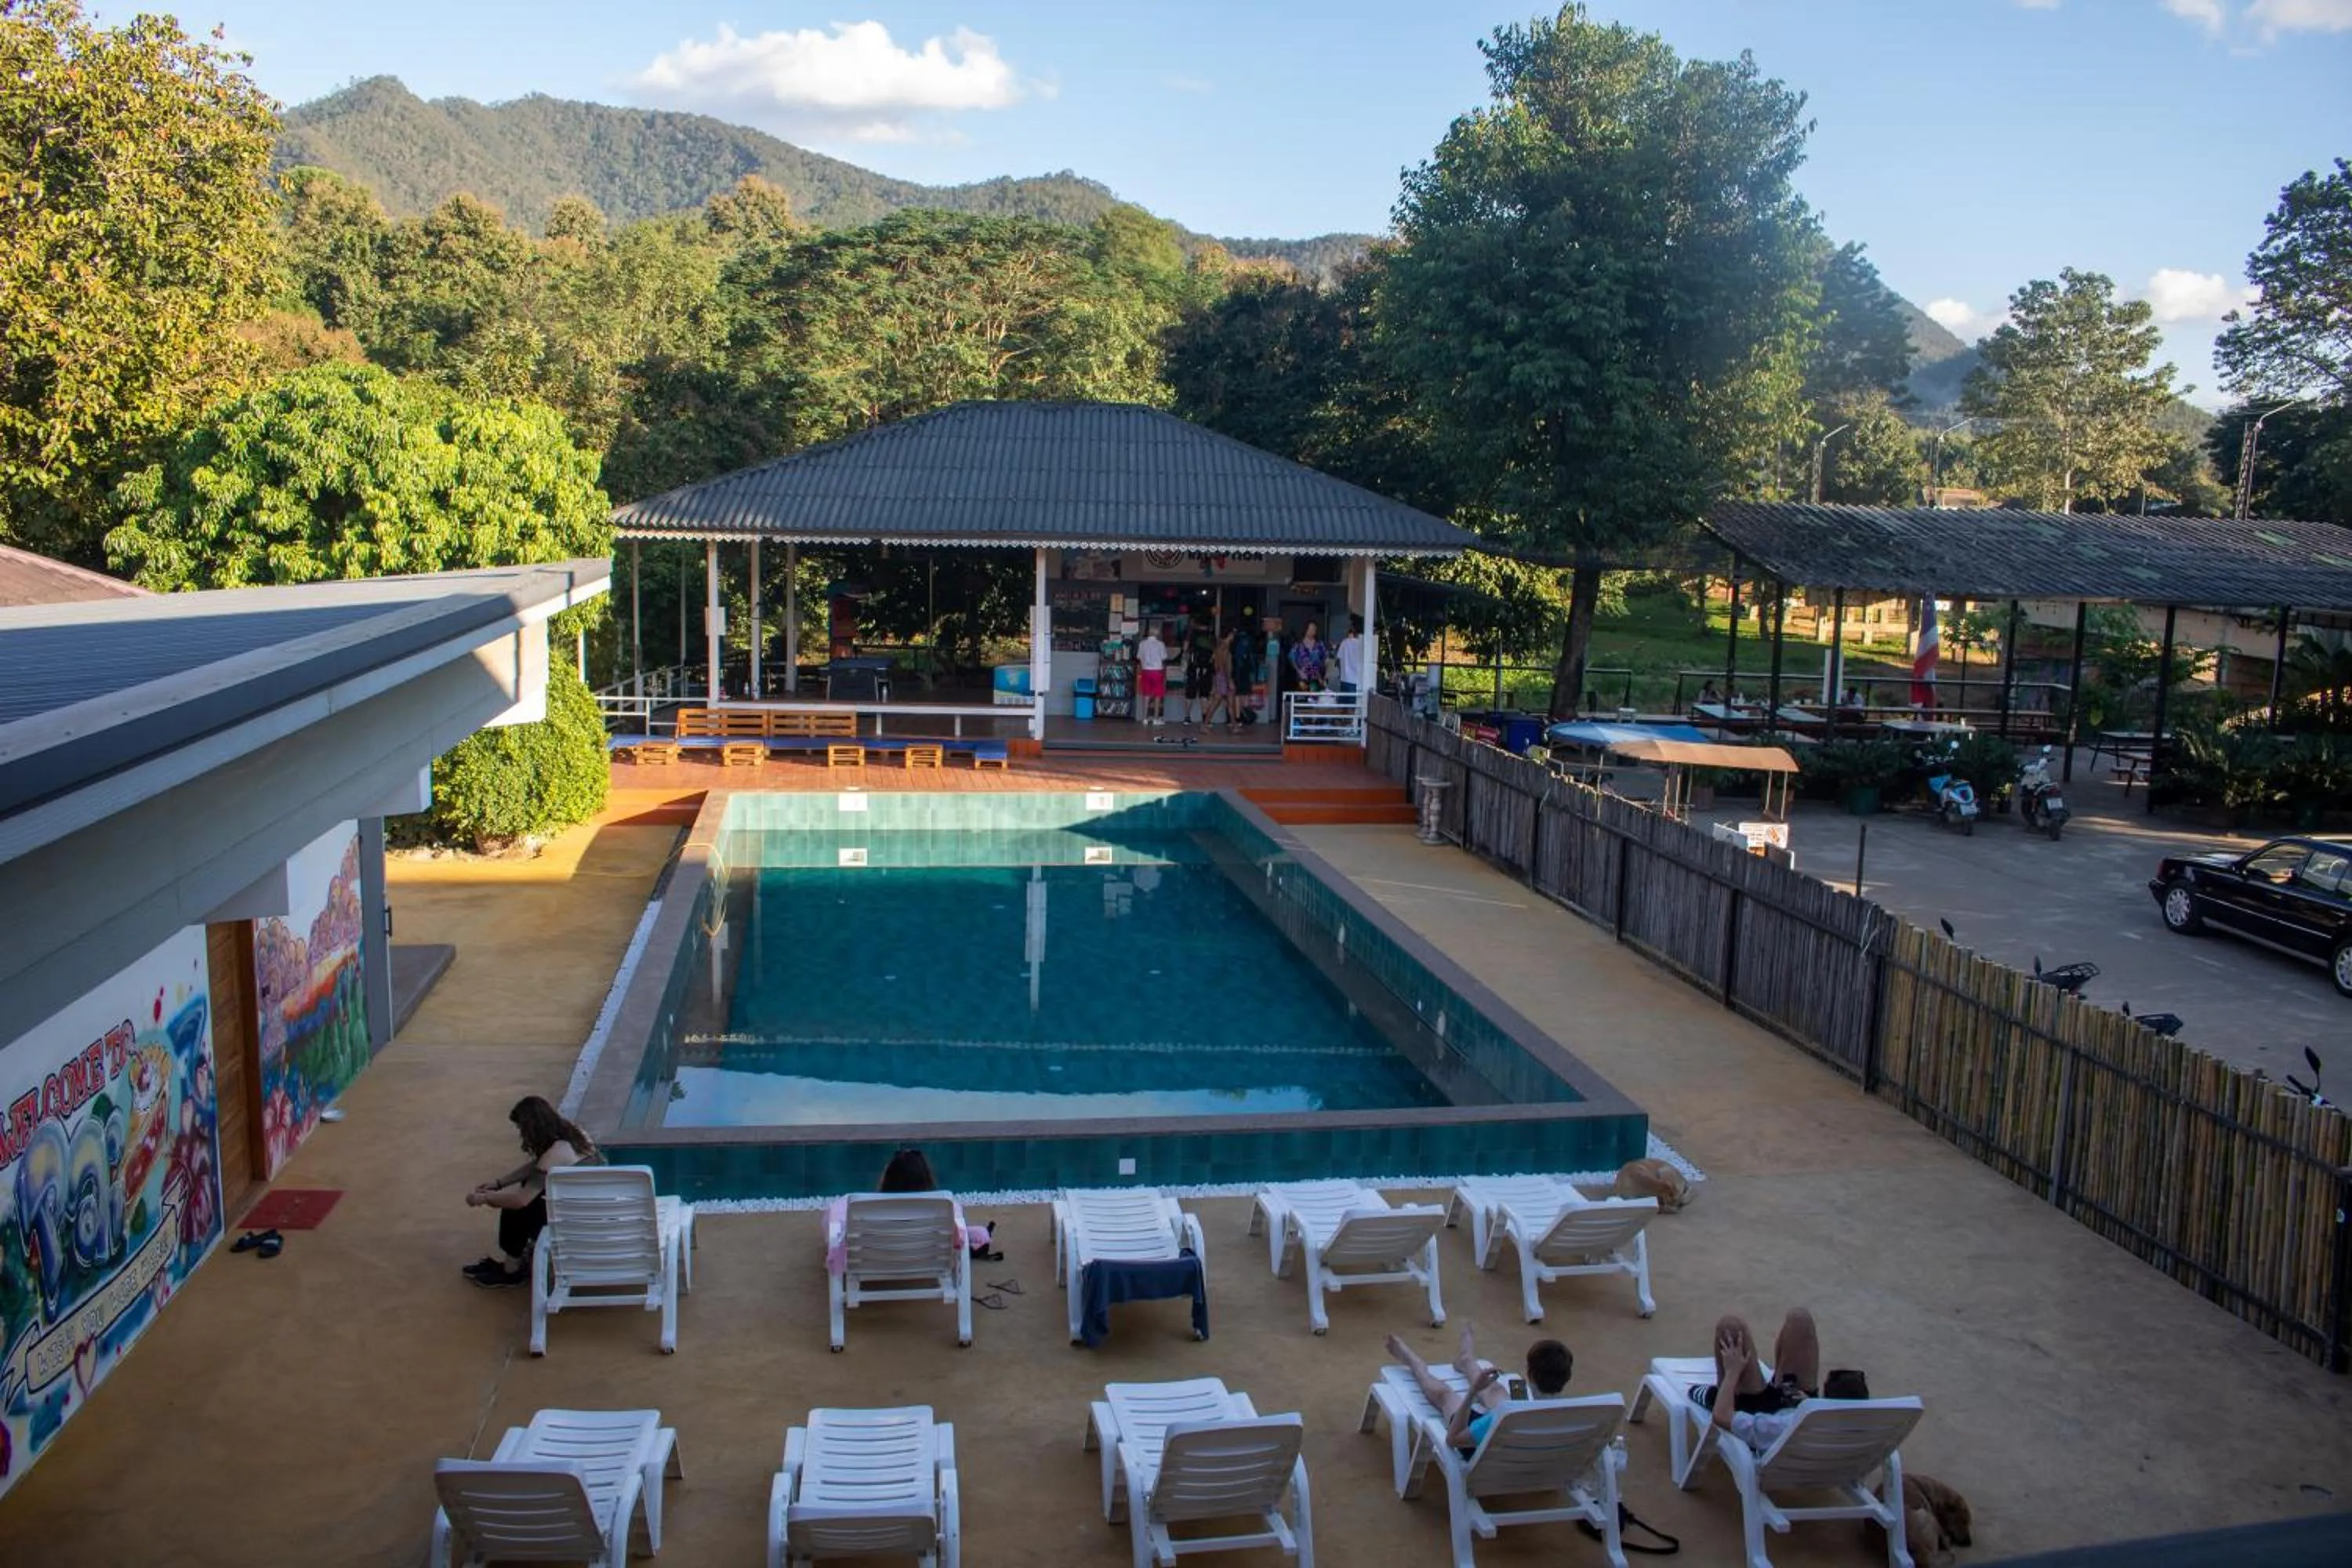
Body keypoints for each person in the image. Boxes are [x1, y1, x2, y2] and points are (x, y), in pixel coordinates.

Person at [462, 1095, 599, 1288]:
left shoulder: (553, 1155)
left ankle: (512, 1271)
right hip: (593, 1209)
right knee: (526, 1190)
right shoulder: (576, 1135)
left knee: (514, 1207)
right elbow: (538, 1165)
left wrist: (483, 1199)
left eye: (521, 1129)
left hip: (574, 1221)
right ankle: (514, 1262)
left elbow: (521, 1200)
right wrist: (499, 1183)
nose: (521, 1134)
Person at [1387, 1326, 1573, 1454]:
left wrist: (1472, 1392)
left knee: (1446, 1396)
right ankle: (1466, 1360)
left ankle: (1416, 1364)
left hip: (1490, 1458)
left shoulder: (1503, 1417)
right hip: (1532, 1458)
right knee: (1497, 1391)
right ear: (1567, 1377)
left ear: (1530, 1373)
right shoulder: (1577, 1415)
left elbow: (1453, 1440)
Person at [1707, 1308, 1832, 1453]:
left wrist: (1732, 1372)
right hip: (1801, 1409)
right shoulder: (1856, 1426)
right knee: (1800, 1319)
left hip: (1760, 1415)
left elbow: (1721, 1416)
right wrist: (1810, 1403)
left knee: (1729, 1327)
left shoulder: (1770, 1429)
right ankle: (1779, 1390)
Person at [867, 1147, 997, 1259]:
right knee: (977, 1233)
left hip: (882, 1261)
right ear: (926, 1177)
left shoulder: (860, 1208)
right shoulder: (946, 1207)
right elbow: (958, 1242)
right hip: (928, 1264)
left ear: (888, 1178)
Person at [1205, 629, 1243, 731]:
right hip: (1224, 678)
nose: (1233, 637)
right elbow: (1225, 667)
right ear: (1229, 636)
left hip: (1220, 677)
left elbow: (1218, 666)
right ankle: (1205, 724)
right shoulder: (1225, 649)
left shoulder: (1219, 648)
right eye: (1232, 635)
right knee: (1218, 702)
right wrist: (1229, 681)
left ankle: (1234, 725)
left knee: (1226, 703)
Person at [1185, 618, 1218, 725]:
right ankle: (1205, 719)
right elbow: (1215, 655)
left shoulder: (1192, 637)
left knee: (1190, 695)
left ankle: (1187, 717)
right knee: (1204, 695)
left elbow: (1185, 650)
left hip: (1193, 669)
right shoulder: (1211, 639)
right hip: (1206, 669)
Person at [1136, 622, 1168, 725]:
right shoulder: (1161, 644)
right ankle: (1156, 718)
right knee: (1157, 695)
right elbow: (1164, 658)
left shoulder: (1142, 644)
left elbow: (1140, 658)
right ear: (1157, 633)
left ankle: (1145, 718)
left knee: (1146, 694)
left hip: (1146, 671)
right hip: (1157, 671)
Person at [1290, 621, 1328, 691]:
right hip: (1302, 677)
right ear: (1306, 630)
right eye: (1310, 629)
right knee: (1302, 698)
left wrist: (1326, 675)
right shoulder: (1298, 645)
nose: (1312, 632)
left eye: (1314, 630)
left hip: (1317, 678)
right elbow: (1292, 659)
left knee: (1314, 698)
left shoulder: (1319, 644)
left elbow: (1326, 659)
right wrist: (1299, 671)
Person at [1334, 616, 1365, 695]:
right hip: (1358, 681)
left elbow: (1337, 661)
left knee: (1346, 705)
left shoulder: (1344, 643)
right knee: (1355, 706)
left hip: (1345, 679)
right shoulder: (1363, 645)